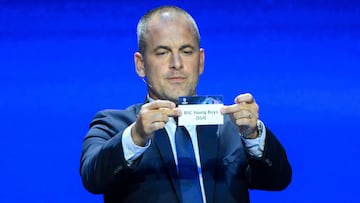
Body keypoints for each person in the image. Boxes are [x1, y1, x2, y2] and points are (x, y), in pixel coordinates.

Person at [80, 5, 292, 203]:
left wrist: (253, 135)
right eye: (162, 52)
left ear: (200, 61)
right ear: (140, 65)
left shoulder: (232, 129)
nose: (176, 64)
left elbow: (278, 180)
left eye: (186, 51)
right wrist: (137, 136)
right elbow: (92, 178)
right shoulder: (114, 125)